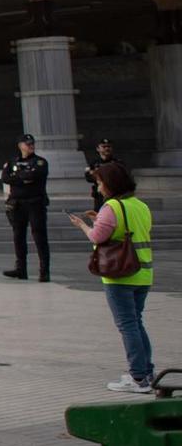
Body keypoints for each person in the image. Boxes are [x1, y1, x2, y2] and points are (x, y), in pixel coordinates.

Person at [75, 162, 156, 394]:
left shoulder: (112, 206)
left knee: (127, 325)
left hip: (119, 275)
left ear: (110, 184)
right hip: (143, 273)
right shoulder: (139, 205)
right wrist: (100, 218)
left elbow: (98, 237)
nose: (99, 188)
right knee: (136, 322)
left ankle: (138, 377)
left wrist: (83, 225)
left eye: (100, 183)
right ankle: (146, 372)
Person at [0, 134, 51, 281]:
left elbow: (35, 176)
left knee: (39, 236)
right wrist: (23, 177)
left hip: (35, 203)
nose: (30, 146)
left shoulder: (40, 162)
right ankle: (21, 269)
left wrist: (18, 176)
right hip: (17, 204)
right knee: (18, 236)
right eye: (27, 144)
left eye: (32, 144)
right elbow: (5, 178)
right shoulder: (12, 161)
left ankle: (44, 270)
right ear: (20, 145)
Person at [84, 138, 125, 214]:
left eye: (108, 146)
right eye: (104, 146)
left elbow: (121, 176)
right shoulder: (94, 163)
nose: (107, 148)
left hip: (114, 194)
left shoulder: (117, 162)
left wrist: (98, 174)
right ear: (98, 149)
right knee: (99, 215)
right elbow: (88, 178)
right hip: (100, 196)